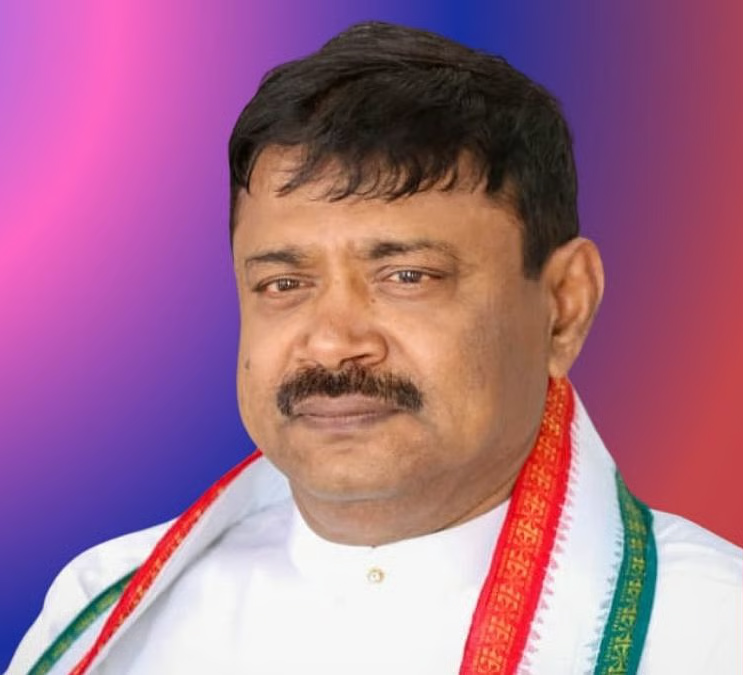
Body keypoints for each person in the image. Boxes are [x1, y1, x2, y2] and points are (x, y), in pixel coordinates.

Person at [7, 21, 741, 675]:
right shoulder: (102, 610)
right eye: (284, 283)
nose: (332, 341)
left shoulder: (709, 629)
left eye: (406, 276)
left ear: (562, 307)